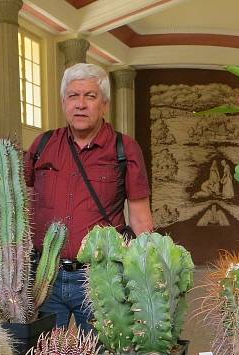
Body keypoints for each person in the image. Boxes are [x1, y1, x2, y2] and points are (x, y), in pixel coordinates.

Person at [25, 63, 154, 330]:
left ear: (104, 104)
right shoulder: (43, 145)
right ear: (63, 102)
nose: (80, 104)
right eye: (73, 96)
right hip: (45, 275)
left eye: (90, 96)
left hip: (101, 275)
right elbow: (21, 206)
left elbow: (141, 219)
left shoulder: (124, 148)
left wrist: (148, 279)